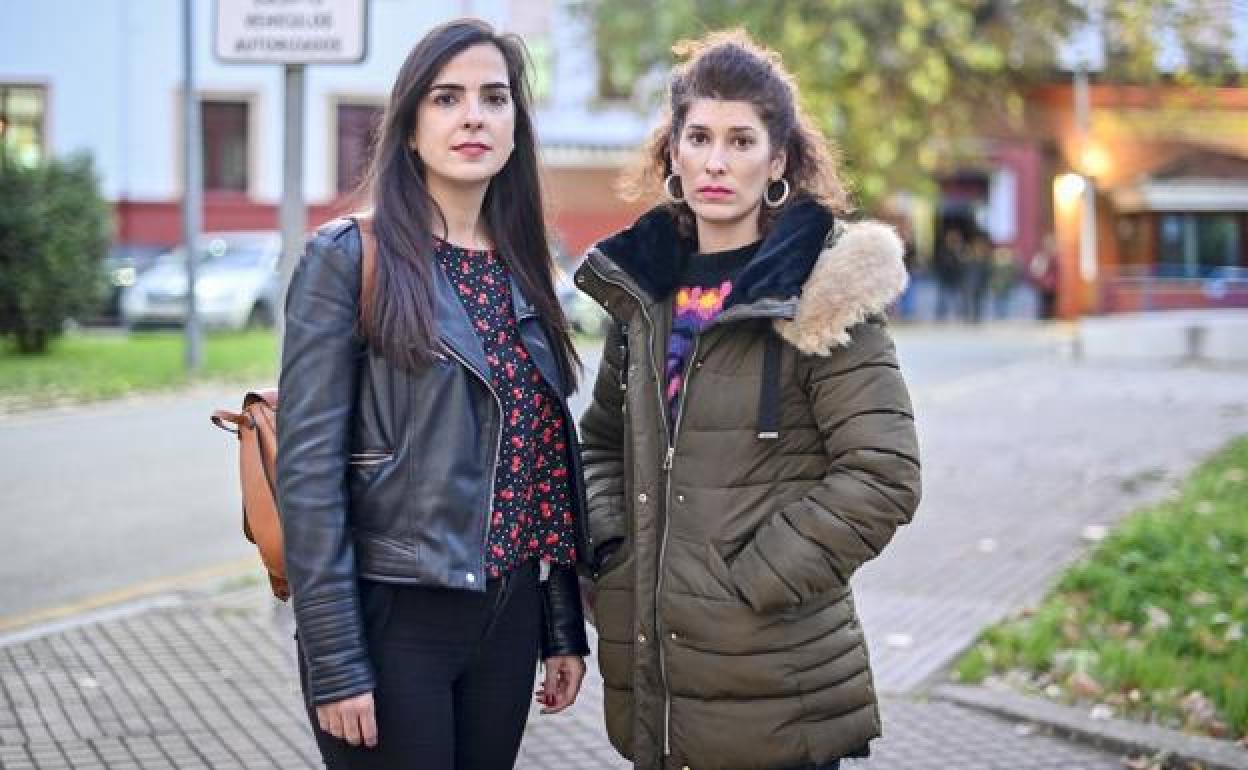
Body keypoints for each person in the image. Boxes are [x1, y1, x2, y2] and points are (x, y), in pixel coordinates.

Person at [576, 31, 922, 770]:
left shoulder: (821, 288)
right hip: (660, 687)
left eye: (741, 140)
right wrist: (614, 548)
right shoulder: (643, 292)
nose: (716, 160)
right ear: (673, 153)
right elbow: (601, 441)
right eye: (699, 137)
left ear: (779, 160)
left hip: (778, 687)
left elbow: (883, 473)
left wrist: (755, 578)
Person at [276, 19, 589, 769]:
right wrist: (337, 660)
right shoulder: (348, 259)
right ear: (411, 130)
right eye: (447, 98)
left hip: (507, 620)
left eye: (494, 98)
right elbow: (309, 479)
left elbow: (537, 467)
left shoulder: (526, 269)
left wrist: (560, 625)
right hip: (394, 619)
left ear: (516, 127)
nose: (473, 116)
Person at [934, 227, 966, 321]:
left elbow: (962, 265)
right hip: (945, 279)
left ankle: (960, 315)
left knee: (958, 299)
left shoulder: (959, 250)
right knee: (943, 299)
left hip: (956, 279)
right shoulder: (943, 251)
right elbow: (941, 264)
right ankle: (941, 316)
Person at [1029, 234, 1059, 320]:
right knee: (1042, 308)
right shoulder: (1041, 257)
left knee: (1053, 307)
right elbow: (1036, 271)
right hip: (1042, 288)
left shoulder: (1056, 257)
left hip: (1054, 288)